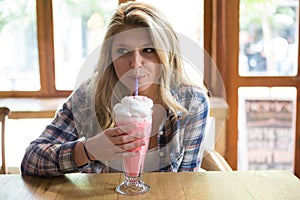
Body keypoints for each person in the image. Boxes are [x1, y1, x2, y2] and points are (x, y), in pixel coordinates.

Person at [21, 2, 210, 177]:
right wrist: (87, 150)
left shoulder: (192, 102)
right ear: (109, 57)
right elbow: (31, 160)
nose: (135, 64)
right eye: (122, 51)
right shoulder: (89, 96)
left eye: (148, 50)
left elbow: (186, 184)